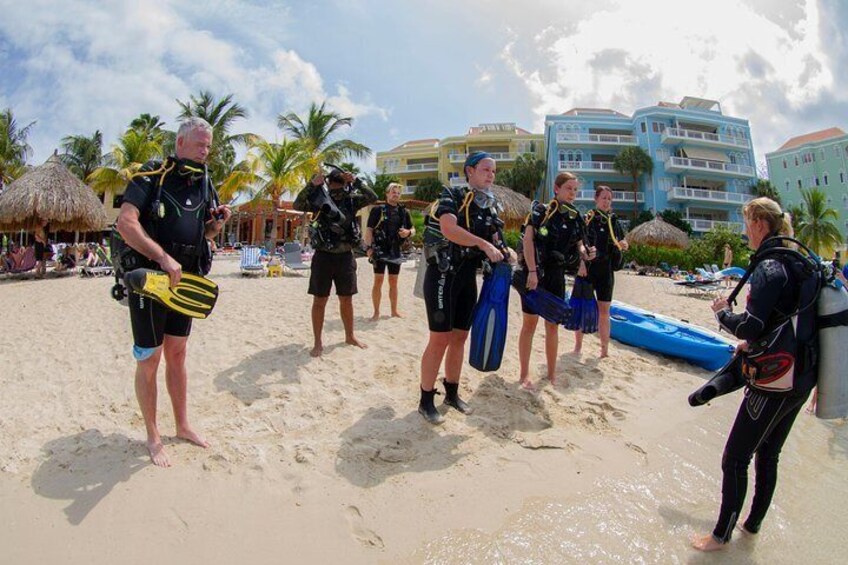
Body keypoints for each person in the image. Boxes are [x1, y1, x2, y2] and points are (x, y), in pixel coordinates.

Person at [692, 197, 817, 551]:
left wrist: (722, 315)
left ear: (760, 224)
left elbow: (750, 326)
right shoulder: (801, 264)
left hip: (775, 380)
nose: (745, 231)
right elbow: (785, 322)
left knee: (735, 458)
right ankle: (753, 527)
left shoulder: (770, 267)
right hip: (804, 378)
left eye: (747, 223)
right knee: (769, 454)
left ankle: (719, 537)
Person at [115, 117, 231, 467]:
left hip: (186, 280)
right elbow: (126, 223)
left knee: (177, 353)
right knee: (150, 357)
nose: (206, 150)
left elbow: (205, 234)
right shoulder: (152, 175)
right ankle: (152, 435)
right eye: (200, 143)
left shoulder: (205, 182)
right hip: (151, 279)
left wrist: (216, 225)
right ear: (180, 142)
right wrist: (162, 258)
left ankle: (181, 425)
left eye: (209, 145)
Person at [418, 152, 511, 424]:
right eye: (485, 170)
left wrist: (508, 252)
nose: (491, 175)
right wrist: (483, 244)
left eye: (493, 171)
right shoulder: (452, 195)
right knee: (440, 339)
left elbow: (497, 239)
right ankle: (425, 400)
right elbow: (448, 229)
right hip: (443, 276)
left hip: (468, 278)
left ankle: (452, 393)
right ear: (470, 171)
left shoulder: (489, 207)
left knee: (459, 338)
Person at [517, 172, 595, 389]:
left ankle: (551, 374)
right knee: (529, 325)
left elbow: (580, 244)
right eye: (569, 188)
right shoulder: (540, 211)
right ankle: (524, 375)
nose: (572, 193)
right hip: (535, 273)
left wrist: (586, 253)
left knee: (553, 326)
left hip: (556, 277)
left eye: (575, 190)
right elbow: (528, 241)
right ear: (556, 188)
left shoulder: (575, 218)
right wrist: (532, 271)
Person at [293, 166, 377, 357]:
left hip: (346, 256)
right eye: (334, 184)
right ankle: (317, 342)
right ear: (328, 184)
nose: (336, 189)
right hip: (323, 256)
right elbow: (297, 205)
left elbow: (372, 197)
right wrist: (311, 185)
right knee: (319, 300)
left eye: (340, 184)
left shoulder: (351, 200)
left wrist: (356, 181)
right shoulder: (319, 200)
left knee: (346, 299)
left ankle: (350, 336)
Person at [573, 185, 626, 359]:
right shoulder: (588, 219)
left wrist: (624, 244)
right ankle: (578, 346)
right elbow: (579, 242)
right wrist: (581, 264)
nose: (606, 202)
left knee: (604, 311)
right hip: (588, 270)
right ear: (596, 199)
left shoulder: (614, 221)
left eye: (609, 199)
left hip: (606, 272)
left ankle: (604, 351)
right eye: (603, 198)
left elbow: (621, 240)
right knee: (582, 308)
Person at [364, 182, 415, 320]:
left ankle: (394, 311)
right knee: (378, 281)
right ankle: (376, 312)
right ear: (387, 194)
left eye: (398, 193)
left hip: (395, 250)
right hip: (379, 250)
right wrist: (368, 248)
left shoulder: (403, 212)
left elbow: (413, 229)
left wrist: (408, 232)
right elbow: (369, 230)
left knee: (394, 282)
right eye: (393, 192)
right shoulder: (377, 210)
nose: (396, 195)